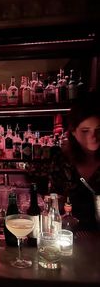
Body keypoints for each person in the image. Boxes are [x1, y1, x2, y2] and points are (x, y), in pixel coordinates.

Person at [29, 92, 100, 230]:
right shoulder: (62, 161)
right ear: (73, 132)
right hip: (69, 236)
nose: (93, 137)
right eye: (85, 131)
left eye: (99, 130)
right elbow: (54, 201)